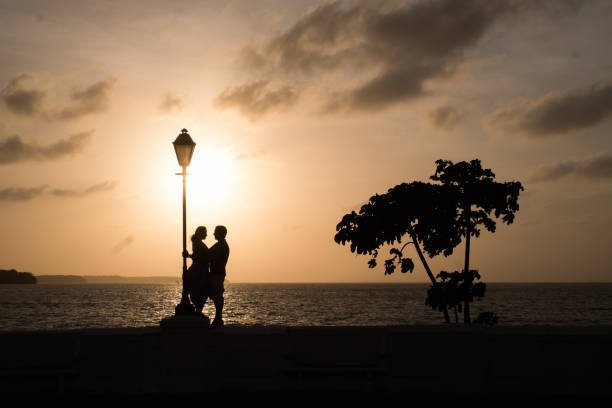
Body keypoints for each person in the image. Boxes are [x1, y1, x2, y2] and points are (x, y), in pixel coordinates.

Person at [183, 226, 209, 316]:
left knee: (201, 290)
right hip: (199, 270)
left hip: (200, 269)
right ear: (201, 233)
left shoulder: (198, 242)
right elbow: (197, 257)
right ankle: (198, 310)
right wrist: (189, 256)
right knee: (200, 290)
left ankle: (198, 310)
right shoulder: (198, 243)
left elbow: (196, 256)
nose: (206, 234)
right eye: (205, 232)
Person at [208, 225, 229, 328]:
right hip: (216, 273)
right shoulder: (219, 245)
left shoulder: (222, 246)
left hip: (218, 273)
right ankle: (218, 317)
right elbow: (207, 253)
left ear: (221, 233)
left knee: (217, 296)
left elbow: (209, 255)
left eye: (215, 232)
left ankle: (218, 318)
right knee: (216, 295)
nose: (213, 234)